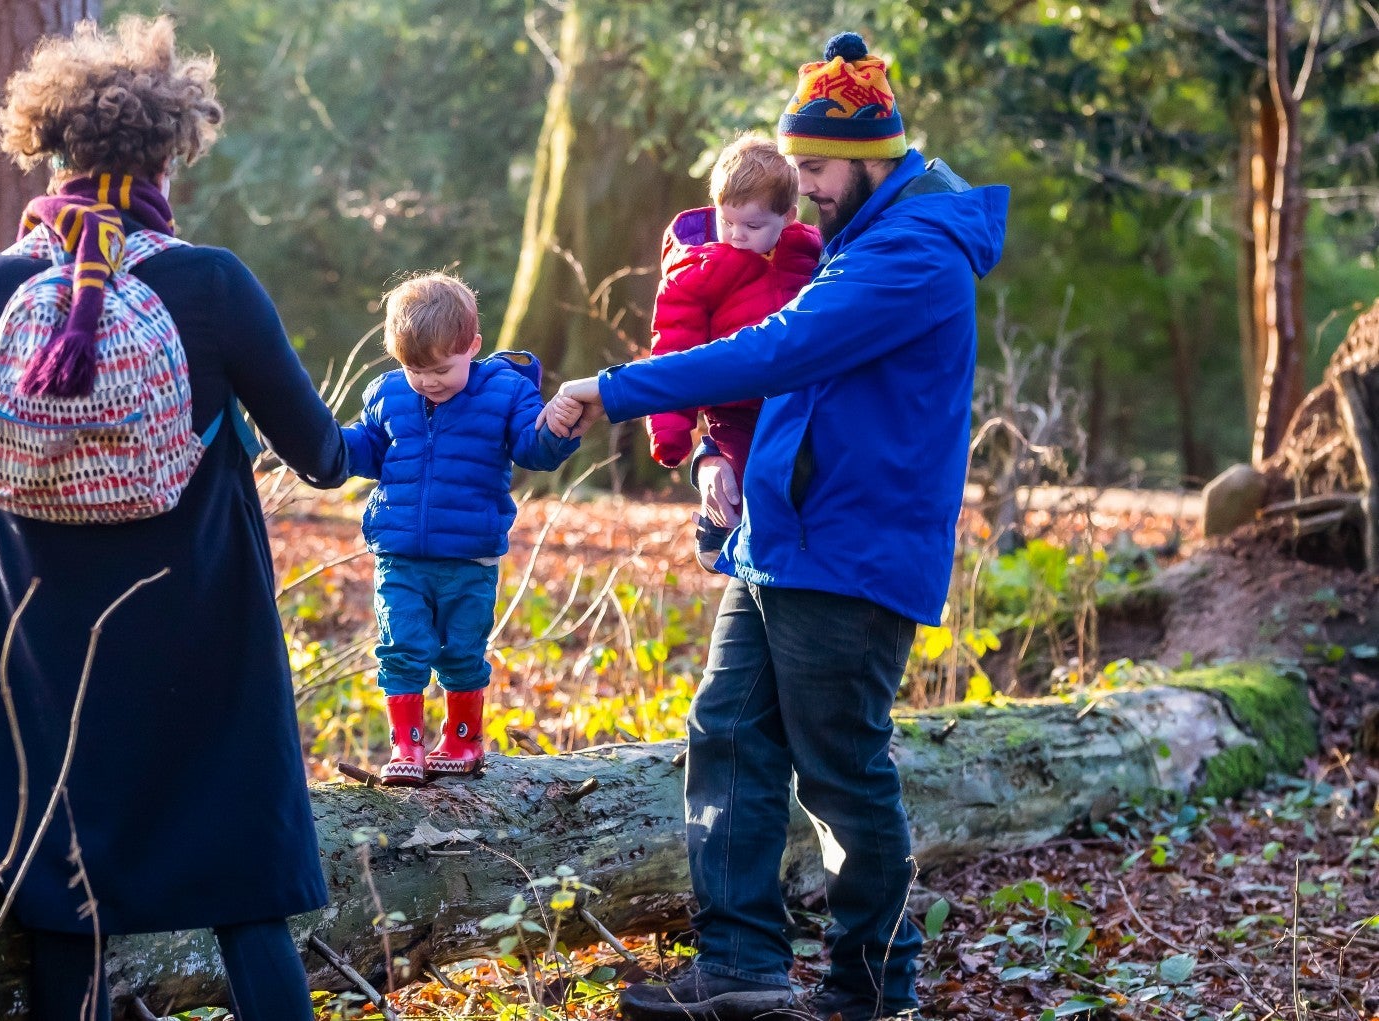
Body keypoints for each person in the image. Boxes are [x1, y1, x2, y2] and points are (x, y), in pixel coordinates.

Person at [546, 31, 1009, 1021]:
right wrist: (715, 453)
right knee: (726, 735)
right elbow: (775, 384)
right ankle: (742, 969)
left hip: (851, 551)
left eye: (814, 168)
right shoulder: (858, 240)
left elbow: (778, 351)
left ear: (874, 157)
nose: (799, 188)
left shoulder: (912, 256)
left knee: (839, 770)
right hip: (782, 537)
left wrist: (616, 389)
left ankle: (874, 990)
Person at [0, 17, 347, 1020]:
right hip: (202, 634)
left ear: (50, 146)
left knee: (70, 901)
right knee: (248, 893)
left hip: (38, 644)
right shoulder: (210, 285)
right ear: (167, 152)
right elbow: (319, 453)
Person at [326, 272, 580, 785]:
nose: (428, 381)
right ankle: (407, 747)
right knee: (403, 646)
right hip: (399, 555)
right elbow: (368, 449)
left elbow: (533, 448)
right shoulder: (388, 392)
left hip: (469, 557)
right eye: (415, 369)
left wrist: (557, 427)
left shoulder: (505, 391)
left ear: (474, 347)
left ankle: (463, 741)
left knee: (462, 648)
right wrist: (323, 444)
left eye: (442, 368)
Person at [642, 133, 821, 570]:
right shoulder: (697, 270)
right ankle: (719, 528)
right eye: (727, 222)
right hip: (733, 406)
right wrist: (669, 430)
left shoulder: (810, 252)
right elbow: (673, 346)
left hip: (796, 397)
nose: (737, 236)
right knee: (736, 477)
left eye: (753, 226)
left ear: (788, 217)